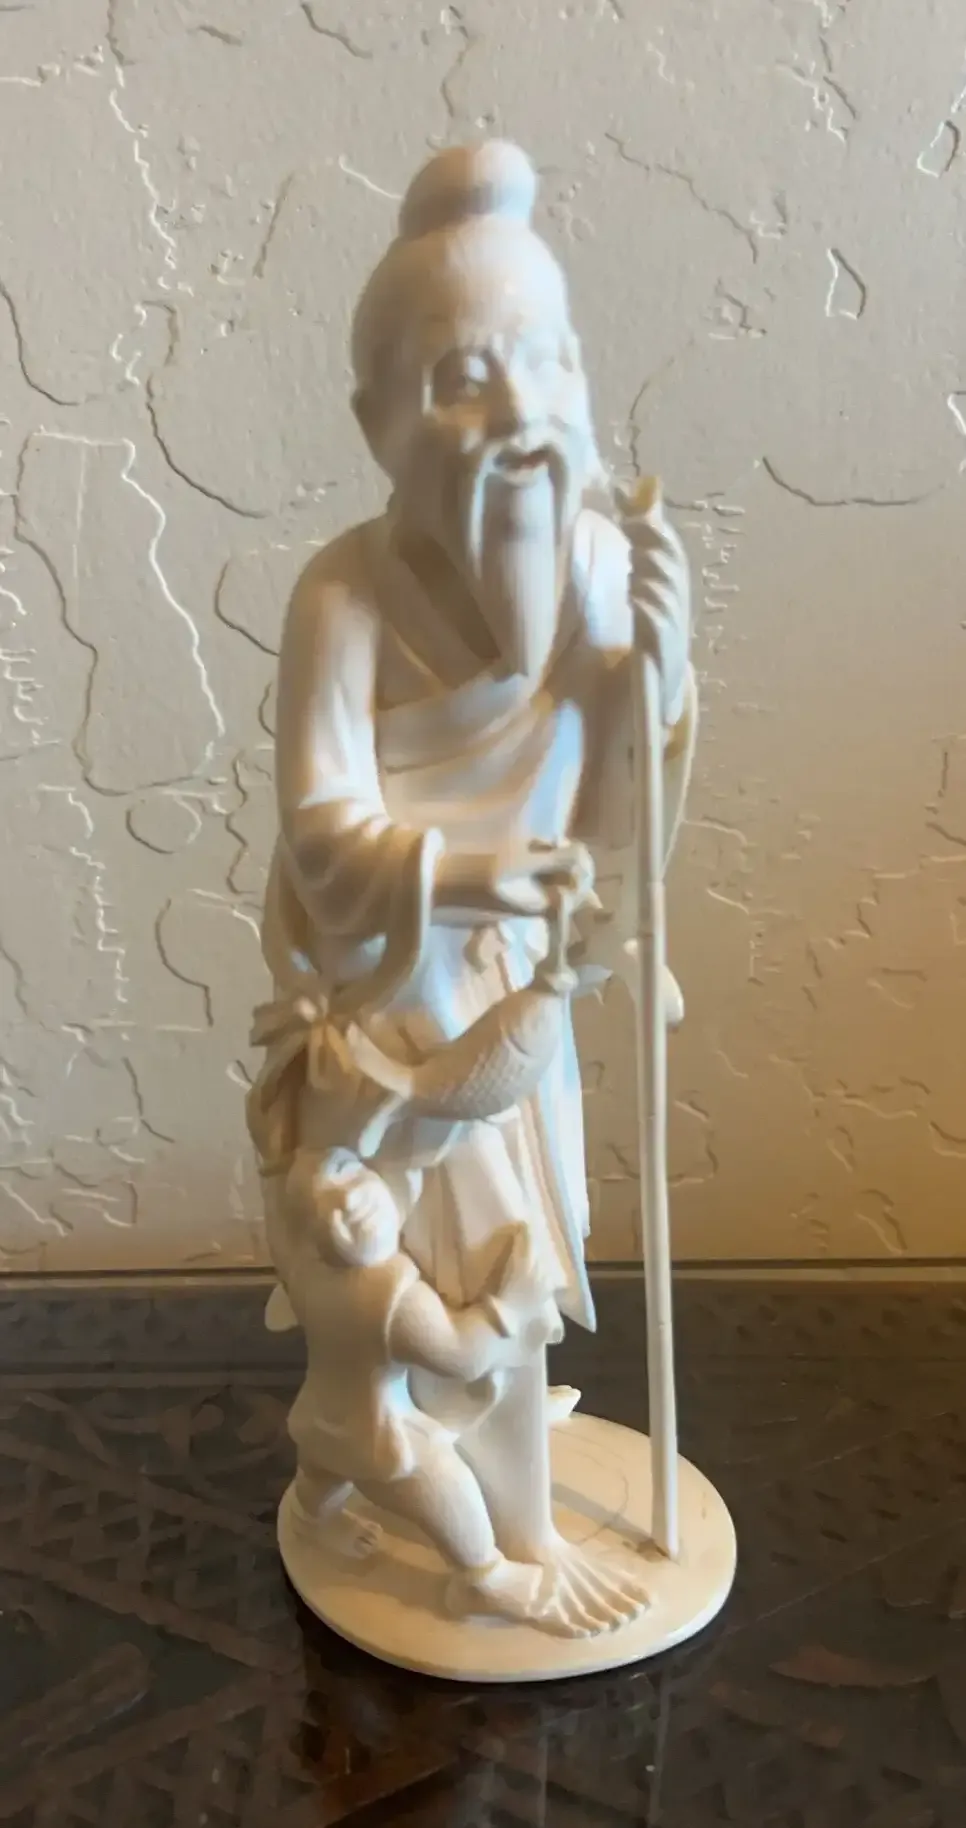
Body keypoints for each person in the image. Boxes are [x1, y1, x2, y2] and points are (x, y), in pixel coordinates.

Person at [259, 139, 694, 1600]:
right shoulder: (342, 593)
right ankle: (511, 1545)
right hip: (400, 1009)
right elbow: (321, 834)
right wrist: (472, 874)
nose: (521, 413)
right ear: (378, 421)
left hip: (526, 987)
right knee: (454, 1264)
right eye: (463, 379)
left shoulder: (593, 568)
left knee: (530, 1246)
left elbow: (620, 812)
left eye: (549, 361)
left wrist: (656, 672)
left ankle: (488, 1471)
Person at [278, 1149, 645, 1635]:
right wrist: (509, 1304)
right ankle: (482, 1578)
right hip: (388, 1443)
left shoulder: (306, 1272)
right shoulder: (392, 1298)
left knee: (320, 1475)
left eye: (346, 1177)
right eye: (327, 1204)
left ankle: (313, 1519)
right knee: (448, 1489)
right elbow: (462, 1357)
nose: (348, 1203)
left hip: (318, 1418)